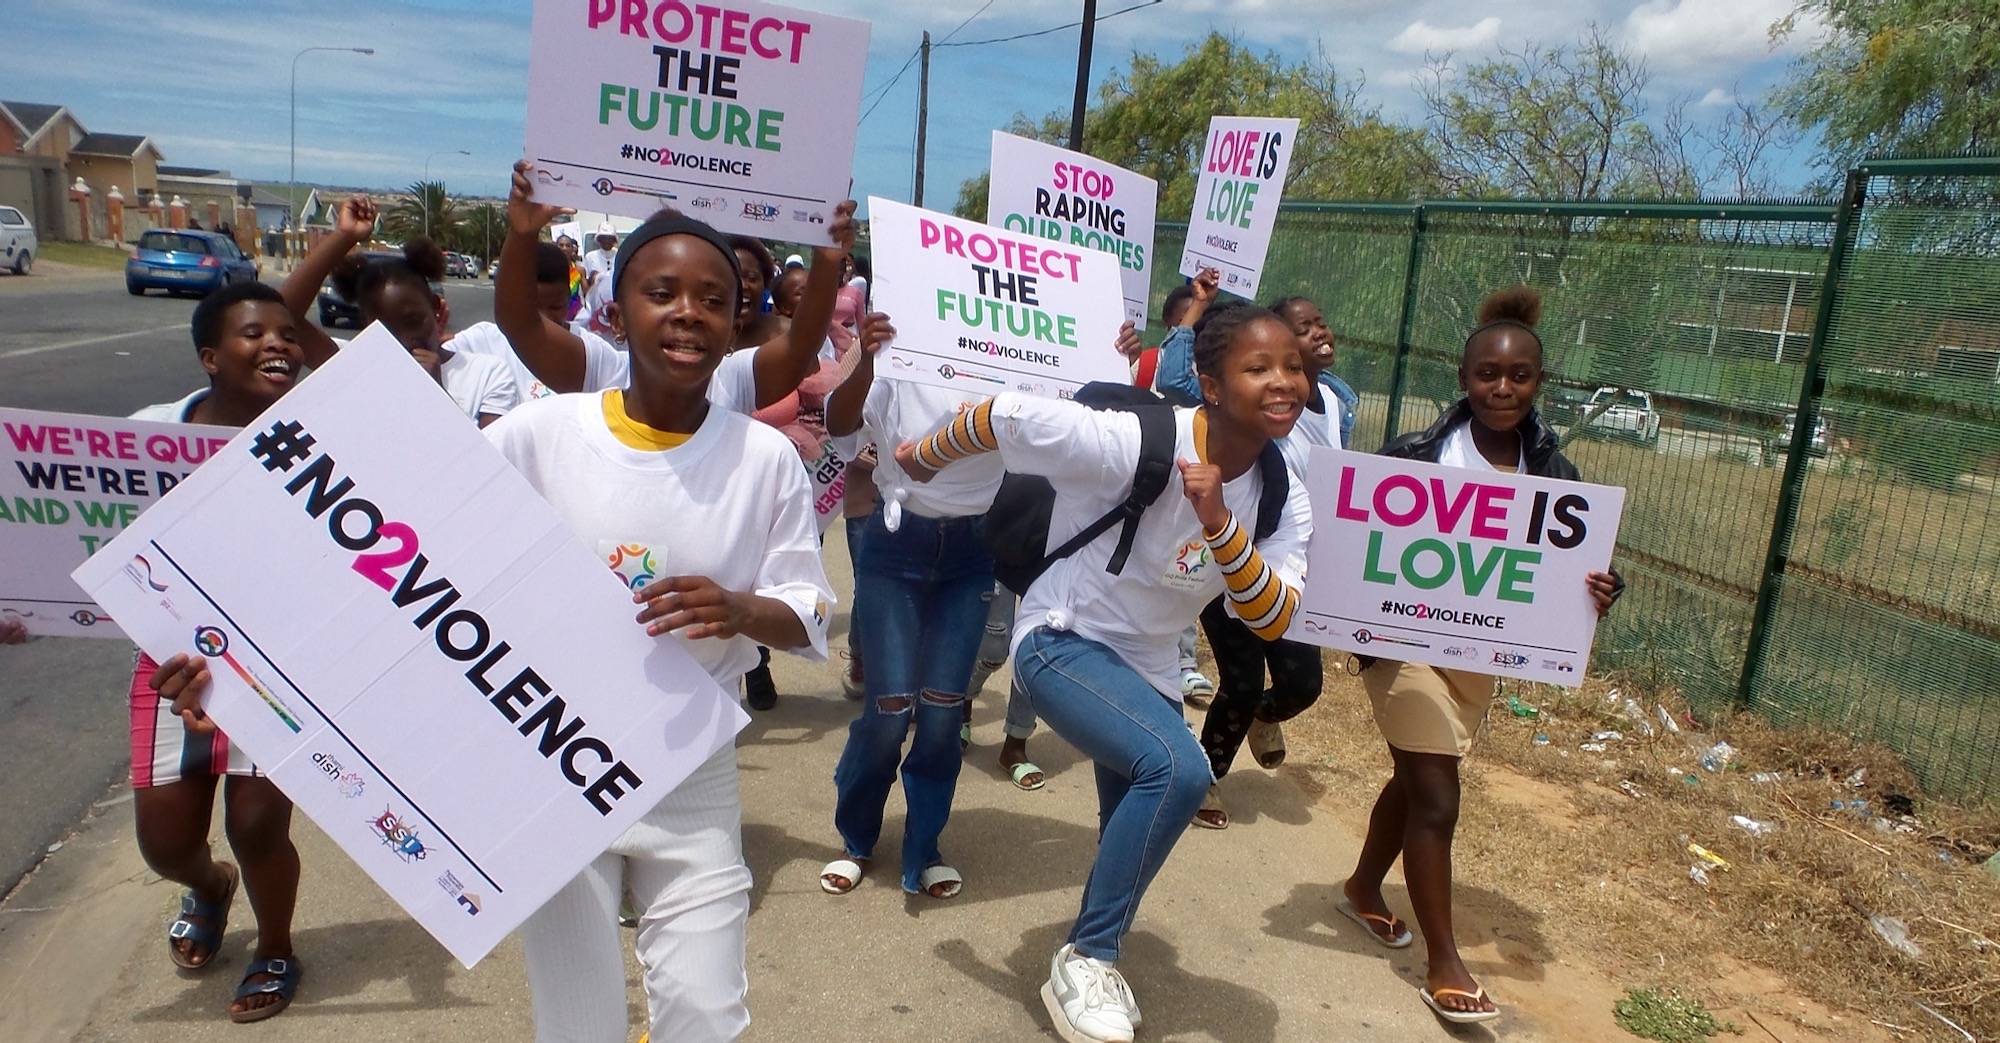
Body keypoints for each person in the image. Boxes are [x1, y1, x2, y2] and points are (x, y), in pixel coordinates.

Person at [898, 304, 1312, 1043]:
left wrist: (1219, 523)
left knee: (1136, 817)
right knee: (1179, 771)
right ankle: (1086, 958)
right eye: (1259, 368)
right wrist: (925, 456)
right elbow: (1003, 416)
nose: (1284, 382)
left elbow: (1273, 614)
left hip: (1148, 666)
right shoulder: (1139, 440)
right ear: (1212, 386)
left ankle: (1096, 946)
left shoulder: (1282, 490)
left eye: (1294, 367)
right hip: (1062, 639)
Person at [1337, 286, 1622, 1026]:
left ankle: (1363, 887)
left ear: (1539, 382)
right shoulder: (1414, 456)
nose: (1502, 388)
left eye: (1518, 376)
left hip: (1480, 656)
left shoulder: (1558, 475)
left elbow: (1570, 570)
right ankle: (1444, 962)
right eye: (1487, 374)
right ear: (1463, 378)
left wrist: (1599, 589)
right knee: (1438, 796)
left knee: (1414, 781)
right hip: (1403, 649)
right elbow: (1355, 543)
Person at [133, 281, 309, 1023]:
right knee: (165, 844)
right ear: (210, 357)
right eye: (254, 333)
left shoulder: (317, 438)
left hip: (278, 660)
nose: (278, 345)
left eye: (289, 334)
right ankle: (209, 886)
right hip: (171, 663)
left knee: (258, 825)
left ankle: (275, 946)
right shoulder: (147, 435)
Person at [817, 309, 996, 900]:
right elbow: (841, 428)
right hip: (896, 547)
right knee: (890, 710)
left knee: (943, 715)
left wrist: (1110, 357)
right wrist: (867, 360)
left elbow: (1075, 418)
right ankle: (857, 835)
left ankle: (925, 847)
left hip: (973, 553)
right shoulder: (899, 341)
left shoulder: (1013, 353)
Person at [1156, 281, 1345, 830]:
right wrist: (1195, 312)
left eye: (1293, 360)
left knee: (1303, 685)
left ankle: (1266, 715)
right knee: (1239, 683)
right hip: (1226, 561)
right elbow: (1176, 380)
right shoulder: (1238, 408)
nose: (1316, 335)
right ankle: (1205, 778)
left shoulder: (1336, 402)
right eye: (1298, 331)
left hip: (1293, 560)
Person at [490, 162, 852, 423]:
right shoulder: (602, 375)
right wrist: (522, 234)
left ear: (733, 332)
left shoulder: (733, 383)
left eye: (712, 301)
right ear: (618, 320)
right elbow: (520, 322)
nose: (688, 313)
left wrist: (825, 261)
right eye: (663, 295)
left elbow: (802, 343)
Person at [278, 197, 519, 426]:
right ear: (366, 325)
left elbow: (490, 452)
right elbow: (284, 315)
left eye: (414, 321)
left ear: (435, 308)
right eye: (385, 330)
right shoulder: (356, 364)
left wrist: (435, 392)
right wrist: (344, 235)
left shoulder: (486, 374)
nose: (404, 340)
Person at [728, 235, 786, 349]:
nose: (743, 285)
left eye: (751, 278)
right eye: (733, 277)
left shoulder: (788, 335)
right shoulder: (700, 333)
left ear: (765, 283)